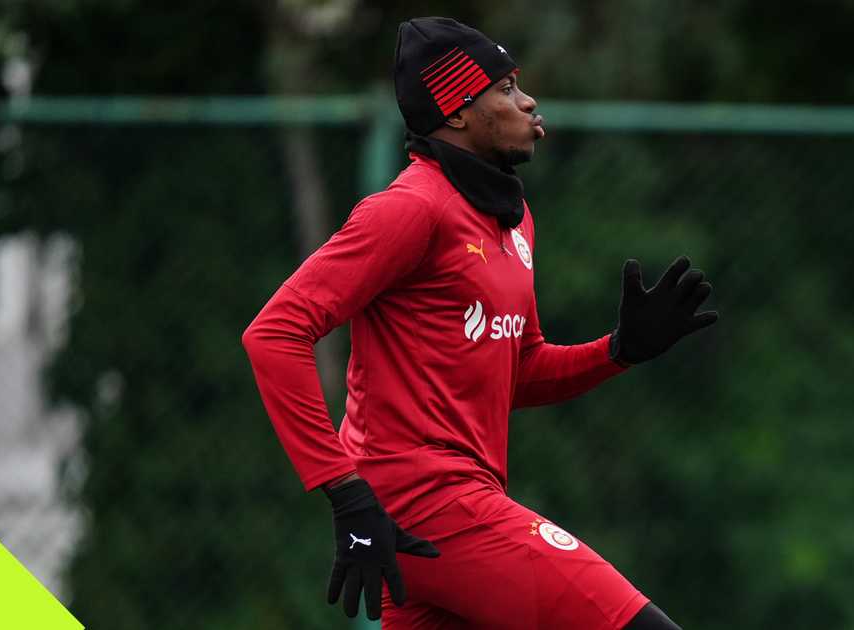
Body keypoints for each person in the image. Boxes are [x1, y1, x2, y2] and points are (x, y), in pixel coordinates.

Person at [242, 16, 717, 630]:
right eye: (506, 88)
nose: (528, 101)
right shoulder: (411, 208)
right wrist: (343, 491)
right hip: (429, 504)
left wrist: (618, 351)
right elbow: (275, 333)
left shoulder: (511, 220)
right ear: (458, 113)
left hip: (436, 519)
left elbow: (517, 371)